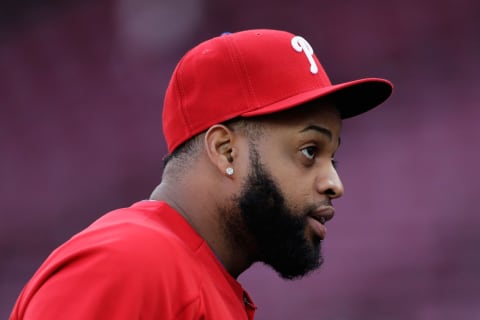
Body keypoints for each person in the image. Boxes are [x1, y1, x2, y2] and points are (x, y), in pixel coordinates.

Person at [10, 29, 393, 319]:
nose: (334, 184)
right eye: (310, 151)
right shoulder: (130, 265)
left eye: (334, 159)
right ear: (225, 149)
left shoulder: (186, 272)